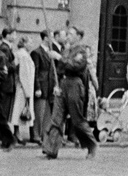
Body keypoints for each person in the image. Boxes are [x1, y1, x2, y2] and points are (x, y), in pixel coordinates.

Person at [41, 27, 97, 159]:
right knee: (56, 118)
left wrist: (59, 58)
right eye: (67, 34)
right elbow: (60, 69)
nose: (68, 36)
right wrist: (57, 84)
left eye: (71, 34)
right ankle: (51, 149)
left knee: (77, 119)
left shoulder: (81, 51)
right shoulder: (66, 50)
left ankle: (91, 145)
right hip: (63, 84)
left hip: (75, 84)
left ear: (79, 36)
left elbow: (76, 66)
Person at [30, 31, 58, 145]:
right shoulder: (36, 52)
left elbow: (53, 70)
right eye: (51, 37)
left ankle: (44, 135)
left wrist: (55, 84)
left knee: (47, 112)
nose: (53, 39)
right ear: (46, 38)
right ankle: (36, 135)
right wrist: (37, 87)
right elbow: (35, 71)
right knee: (39, 112)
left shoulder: (51, 52)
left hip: (50, 85)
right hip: (41, 85)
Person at [9, 36, 35, 145]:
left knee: (18, 109)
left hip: (21, 86)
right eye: (30, 42)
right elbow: (24, 74)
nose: (31, 45)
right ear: (24, 43)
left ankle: (16, 132)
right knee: (19, 110)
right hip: (23, 87)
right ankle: (17, 133)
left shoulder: (20, 54)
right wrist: (28, 92)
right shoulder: (24, 55)